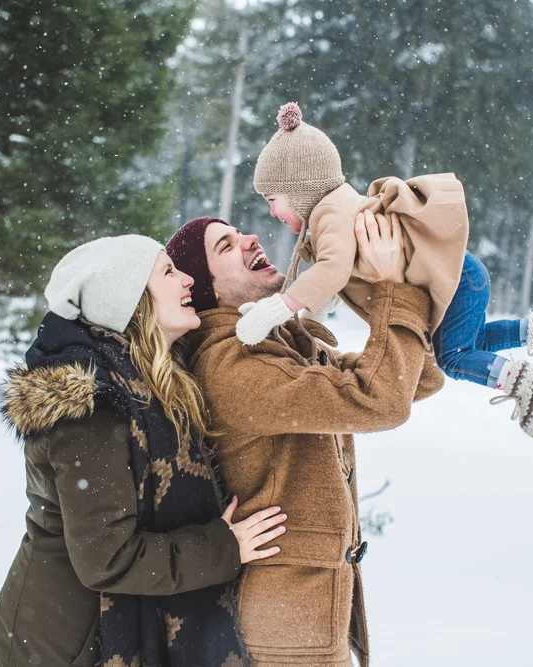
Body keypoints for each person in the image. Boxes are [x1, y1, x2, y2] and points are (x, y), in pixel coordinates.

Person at [0, 235, 287, 667]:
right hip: (65, 645)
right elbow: (106, 558)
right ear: (126, 300)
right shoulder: (92, 410)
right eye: (167, 272)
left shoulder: (155, 385)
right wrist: (222, 548)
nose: (186, 280)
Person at [165, 212, 443, 667]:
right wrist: (394, 290)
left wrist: (382, 288)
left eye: (239, 233)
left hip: (306, 612)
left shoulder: (278, 343)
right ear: (206, 290)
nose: (250, 238)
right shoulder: (229, 368)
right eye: (225, 246)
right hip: (284, 621)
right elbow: (381, 400)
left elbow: (416, 379)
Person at [239, 101, 533, 437]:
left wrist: (275, 310)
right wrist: (311, 320)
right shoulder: (337, 208)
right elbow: (336, 283)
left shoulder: (329, 214)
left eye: (272, 200)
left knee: (454, 357)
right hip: (463, 272)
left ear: (300, 189)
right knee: (469, 343)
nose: (272, 212)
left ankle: (525, 382)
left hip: (457, 277)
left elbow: (333, 270)